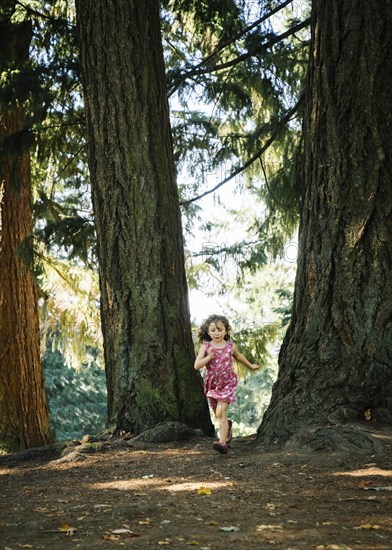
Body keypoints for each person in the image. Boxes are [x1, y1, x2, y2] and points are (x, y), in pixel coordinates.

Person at [194, 314, 260, 454]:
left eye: (220, 329)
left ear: (225, 330)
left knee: (221, 411)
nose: (217, 333)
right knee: (219, 415)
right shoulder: (206, 347)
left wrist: (250, 365)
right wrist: (209, 357)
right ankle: (227, 428)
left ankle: (222, 443)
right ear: (208, 332)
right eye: (213, 330)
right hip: (212, 384)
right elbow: (197, 365)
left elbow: (239, 357)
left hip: (228, 382)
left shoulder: (230, 345)